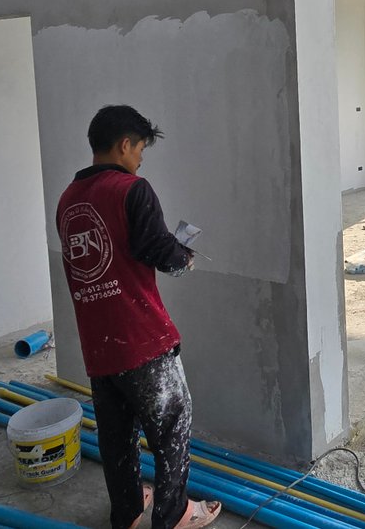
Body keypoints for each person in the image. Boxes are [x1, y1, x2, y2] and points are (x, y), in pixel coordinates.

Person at [55, 105, 220, 529]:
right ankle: (174, 513)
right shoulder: (132, 189)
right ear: (124, 144)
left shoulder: (68, 199)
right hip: (142, 338)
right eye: (141, 149)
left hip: (98, 346)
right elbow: (160, 252)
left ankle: (127, 512)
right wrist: (183, 256)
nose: (141, 159)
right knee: (172, 425)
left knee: (116, 438)